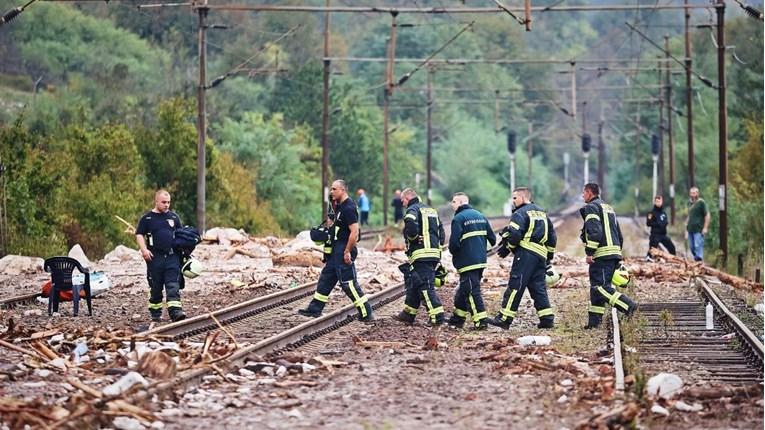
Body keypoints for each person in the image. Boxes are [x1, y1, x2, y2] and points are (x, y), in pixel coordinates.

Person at [298, 180, 373, 322]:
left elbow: (354, 232)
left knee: (348, 283)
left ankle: (366, 312)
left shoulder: (349, 208)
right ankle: (315, 308)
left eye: (334, 189)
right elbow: (334, 225)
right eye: (331, 189)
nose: (332, 192)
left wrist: (347, 252)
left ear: (343, 190)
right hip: (336, 249)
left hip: (344, 248)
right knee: (326, 278)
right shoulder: (338, 206)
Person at [487, 187, 556, 330]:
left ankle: (504, 319)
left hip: (526, 255)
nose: (513, 201)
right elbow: (552, 237)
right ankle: (547, 319)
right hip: (540, 255)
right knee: (538, 287)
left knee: (515, 285)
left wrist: (510, 248)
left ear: (523, 198)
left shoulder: (520, 213)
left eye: (515, 198)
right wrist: (548, 256)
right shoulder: (543, 213)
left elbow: (514, 234)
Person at [579, 183, 638, 329]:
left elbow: (595, 232)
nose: (582, 196)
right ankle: (594, 322)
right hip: (612, 252)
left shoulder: (591, 207)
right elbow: (618, 232)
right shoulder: (608, 207)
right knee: (596, 288)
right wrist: (617, 254)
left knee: (600, 287)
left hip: (602, 254)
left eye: (583, 193)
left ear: (589, 193)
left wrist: (590, 252)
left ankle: (628, 305)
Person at [392, 188, 446, 326]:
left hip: (421, 255)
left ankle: (437, 317)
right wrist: (437, 248)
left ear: (408, 198)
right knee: (414, 283)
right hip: (433, 254)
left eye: (403, 201)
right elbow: (441, 232)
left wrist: (414, 238)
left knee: (425, 286)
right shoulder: (431, 210)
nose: (403, 204)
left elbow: (410, 223)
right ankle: (408, 314)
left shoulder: (413, 209)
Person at [445, 192, 496, 330]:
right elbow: (493, 240)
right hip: (480, 261)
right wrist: (481, 251)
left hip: (467, 262)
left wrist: (455, 252)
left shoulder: (458, 218)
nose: (452, 204)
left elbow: (454, 243)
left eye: (454, 202)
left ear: (461, 203)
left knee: (471, 291)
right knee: (464, 289)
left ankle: (481, 322)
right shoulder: (481, 216)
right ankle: (457, 319)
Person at [136, 190, 186, 323]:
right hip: (154, 258)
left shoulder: (174, 217)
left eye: (168, 202)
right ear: (156, 201)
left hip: (172, 257)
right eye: (164, 202)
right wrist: (144, 250)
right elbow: (139, 234)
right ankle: (156, 314)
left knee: (173, 286)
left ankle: (176, 313)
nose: (167, 205)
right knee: (156, 288)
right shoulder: (147, 218)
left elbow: (181, 235)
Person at [645, 195, 676, 261]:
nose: (659, 203)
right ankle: (648, 259)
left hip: (663, 234)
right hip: (655, 234)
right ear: (654, 202)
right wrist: (658, 224)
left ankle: (673, 259)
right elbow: (648, 223)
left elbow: (665, 221)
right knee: (652, 249)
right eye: (657, 201)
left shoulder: (663, 213)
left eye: (660, 201)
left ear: (662, 202)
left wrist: (664, 223)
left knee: (672, 247)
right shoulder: (651, 213)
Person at [686, 187, 710, 262]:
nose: (692, 195)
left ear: (697, 193)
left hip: (699, 229)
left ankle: (698, 262)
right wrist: (687, 224)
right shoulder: (689, 202)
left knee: (698, 246)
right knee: (692, 248)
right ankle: (697, 260)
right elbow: (689, 215)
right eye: (691, 193)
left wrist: (705, 228)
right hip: (690, 229)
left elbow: (707, 215)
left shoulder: (701, 203)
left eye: (694, 193)